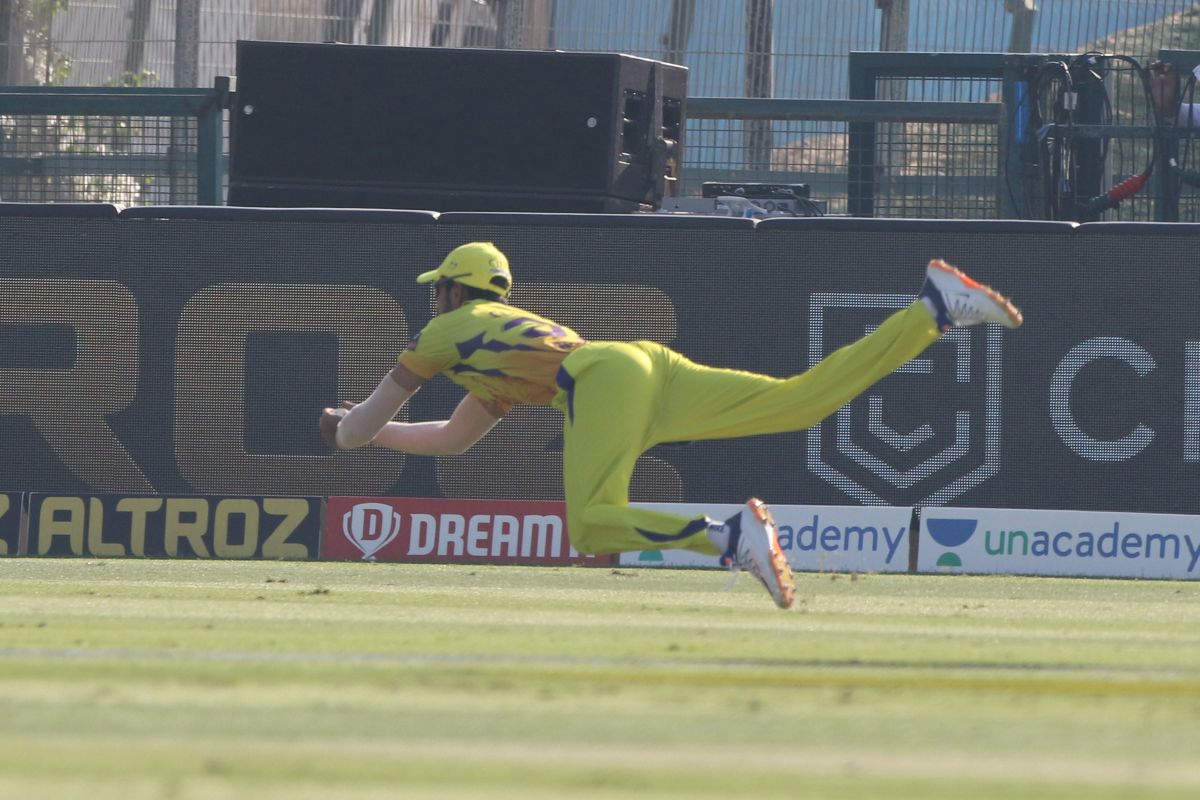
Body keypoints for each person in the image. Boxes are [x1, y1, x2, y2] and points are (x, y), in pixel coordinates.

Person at [319, 242, 1023, 609]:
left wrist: (351, 426)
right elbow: (449, 438)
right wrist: (371, 430)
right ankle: (932, 311)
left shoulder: (447, 328)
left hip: (602, 381)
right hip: (637, 366)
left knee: (592, 524)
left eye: (437, 287)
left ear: (452, 289)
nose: (433, 299)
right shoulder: (492, 347)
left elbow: (357, 433)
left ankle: (726, 536)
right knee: (805, 400)